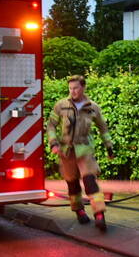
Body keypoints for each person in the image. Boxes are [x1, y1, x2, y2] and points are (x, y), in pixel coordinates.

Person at [45, 75, 115, 231]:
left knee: (90, 181)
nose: (72, 91)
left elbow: (103, 128)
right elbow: (51, 126)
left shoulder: (93, 107)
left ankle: (99, 214)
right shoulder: (61, 105)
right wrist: (53, 143)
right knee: (72, 183)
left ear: (83, 87)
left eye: (75, 88)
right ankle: (79, 210)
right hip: (66, 151)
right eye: (70, 88)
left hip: (85, 150)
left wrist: (109, 146)